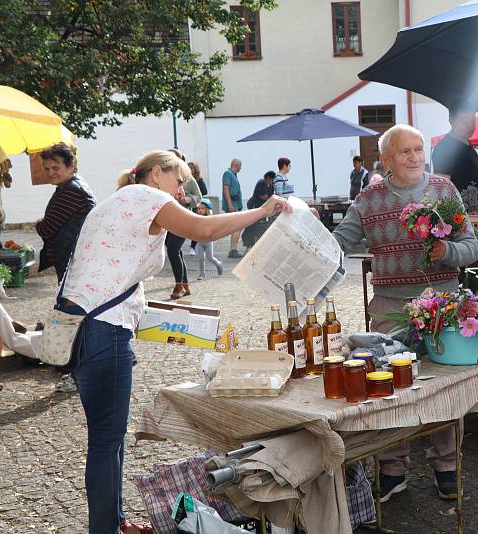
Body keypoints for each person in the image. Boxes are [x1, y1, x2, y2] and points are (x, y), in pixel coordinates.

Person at [57, 149, 290, 534]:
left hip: (84, 328)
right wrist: (263, 210)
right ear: (155, 174)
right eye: (178, 179)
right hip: (104, 331)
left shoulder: (115, 203)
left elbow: (114, 278)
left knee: (108, 439)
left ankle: (113, 522)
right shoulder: (148, 196)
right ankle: (104, 529)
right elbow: (205, 229)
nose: (181, 188)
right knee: (105, 440)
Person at [333, 124, 478, 503]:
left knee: (442, 387)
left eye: (418, 149)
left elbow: (472, 246)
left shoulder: (443, 191)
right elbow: (339, 244)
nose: (415, 157)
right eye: (404, 152)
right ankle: (392, 470)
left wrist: (447, 252)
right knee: (388, 389)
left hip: (441, 306)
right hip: (390, 307)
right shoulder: (368, 199)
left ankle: (447, 465)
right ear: (385, 160)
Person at [36, 143, 96, 282]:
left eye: (56, 168)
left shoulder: (71, 191)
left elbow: (46, 229)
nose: (50, 173)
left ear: (71, 166)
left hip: (73, 260)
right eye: (47, 169)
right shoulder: (71, 186)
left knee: (70, 302)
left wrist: (38, 223)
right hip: (74, 258)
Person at [167, 150, 202, 300]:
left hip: (182, 217)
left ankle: (179, 285)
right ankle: (185, 285)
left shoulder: (187, 177)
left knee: (173, 250)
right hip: (167, 219)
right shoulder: (164, 176)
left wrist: (186, 199)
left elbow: (198, 196)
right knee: (176, 251)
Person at [432, 99, 478, 192]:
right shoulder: (444, 148)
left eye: (472, 121)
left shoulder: (468, 145)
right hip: (462, 205)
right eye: (464, 121)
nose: (469, 125)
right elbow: (443, 189)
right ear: (451, 120)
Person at [242, 170, 277, 248]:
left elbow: (271, 195)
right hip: (254, 205)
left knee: (259, 223)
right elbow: (263, 196)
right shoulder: (261, 183)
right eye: (271, 179)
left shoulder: (270, 185)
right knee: (252, 222)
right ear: (267, 178)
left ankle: (255, 238)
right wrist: (272, 200)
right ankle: (247, 239)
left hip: (263, 206)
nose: (272, 181)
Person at [194, 199, 224, 280]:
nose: (200, 210)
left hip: (208, 242)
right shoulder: (196, 218)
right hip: (200, 242)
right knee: (200, 258)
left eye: (202, 208)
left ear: (207, 210)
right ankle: (202, 274)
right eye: (199, 208)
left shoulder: (210, 219)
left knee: (210, 257)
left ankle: (218, 264)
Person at [222, 158, 244, 258]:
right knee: (237, 226)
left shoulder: (233, 174)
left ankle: (233, 249)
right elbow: (226, 189)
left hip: (236, 204)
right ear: (236, 165)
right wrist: (230, 205)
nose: (241, 168)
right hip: (232, 205)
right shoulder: (228, 173)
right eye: (240, 166)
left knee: (238, 226)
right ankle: (233, 250)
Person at [188, 161, 209, 256]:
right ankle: (193, 246)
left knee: (198, 226)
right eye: (188, 168)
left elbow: (204, 191)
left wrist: (195, 194)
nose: (190, 170)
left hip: (198, 205)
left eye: (191, 168)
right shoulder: (186, 179)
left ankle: (196, 246)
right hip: (189, 205)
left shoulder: (199, 180)